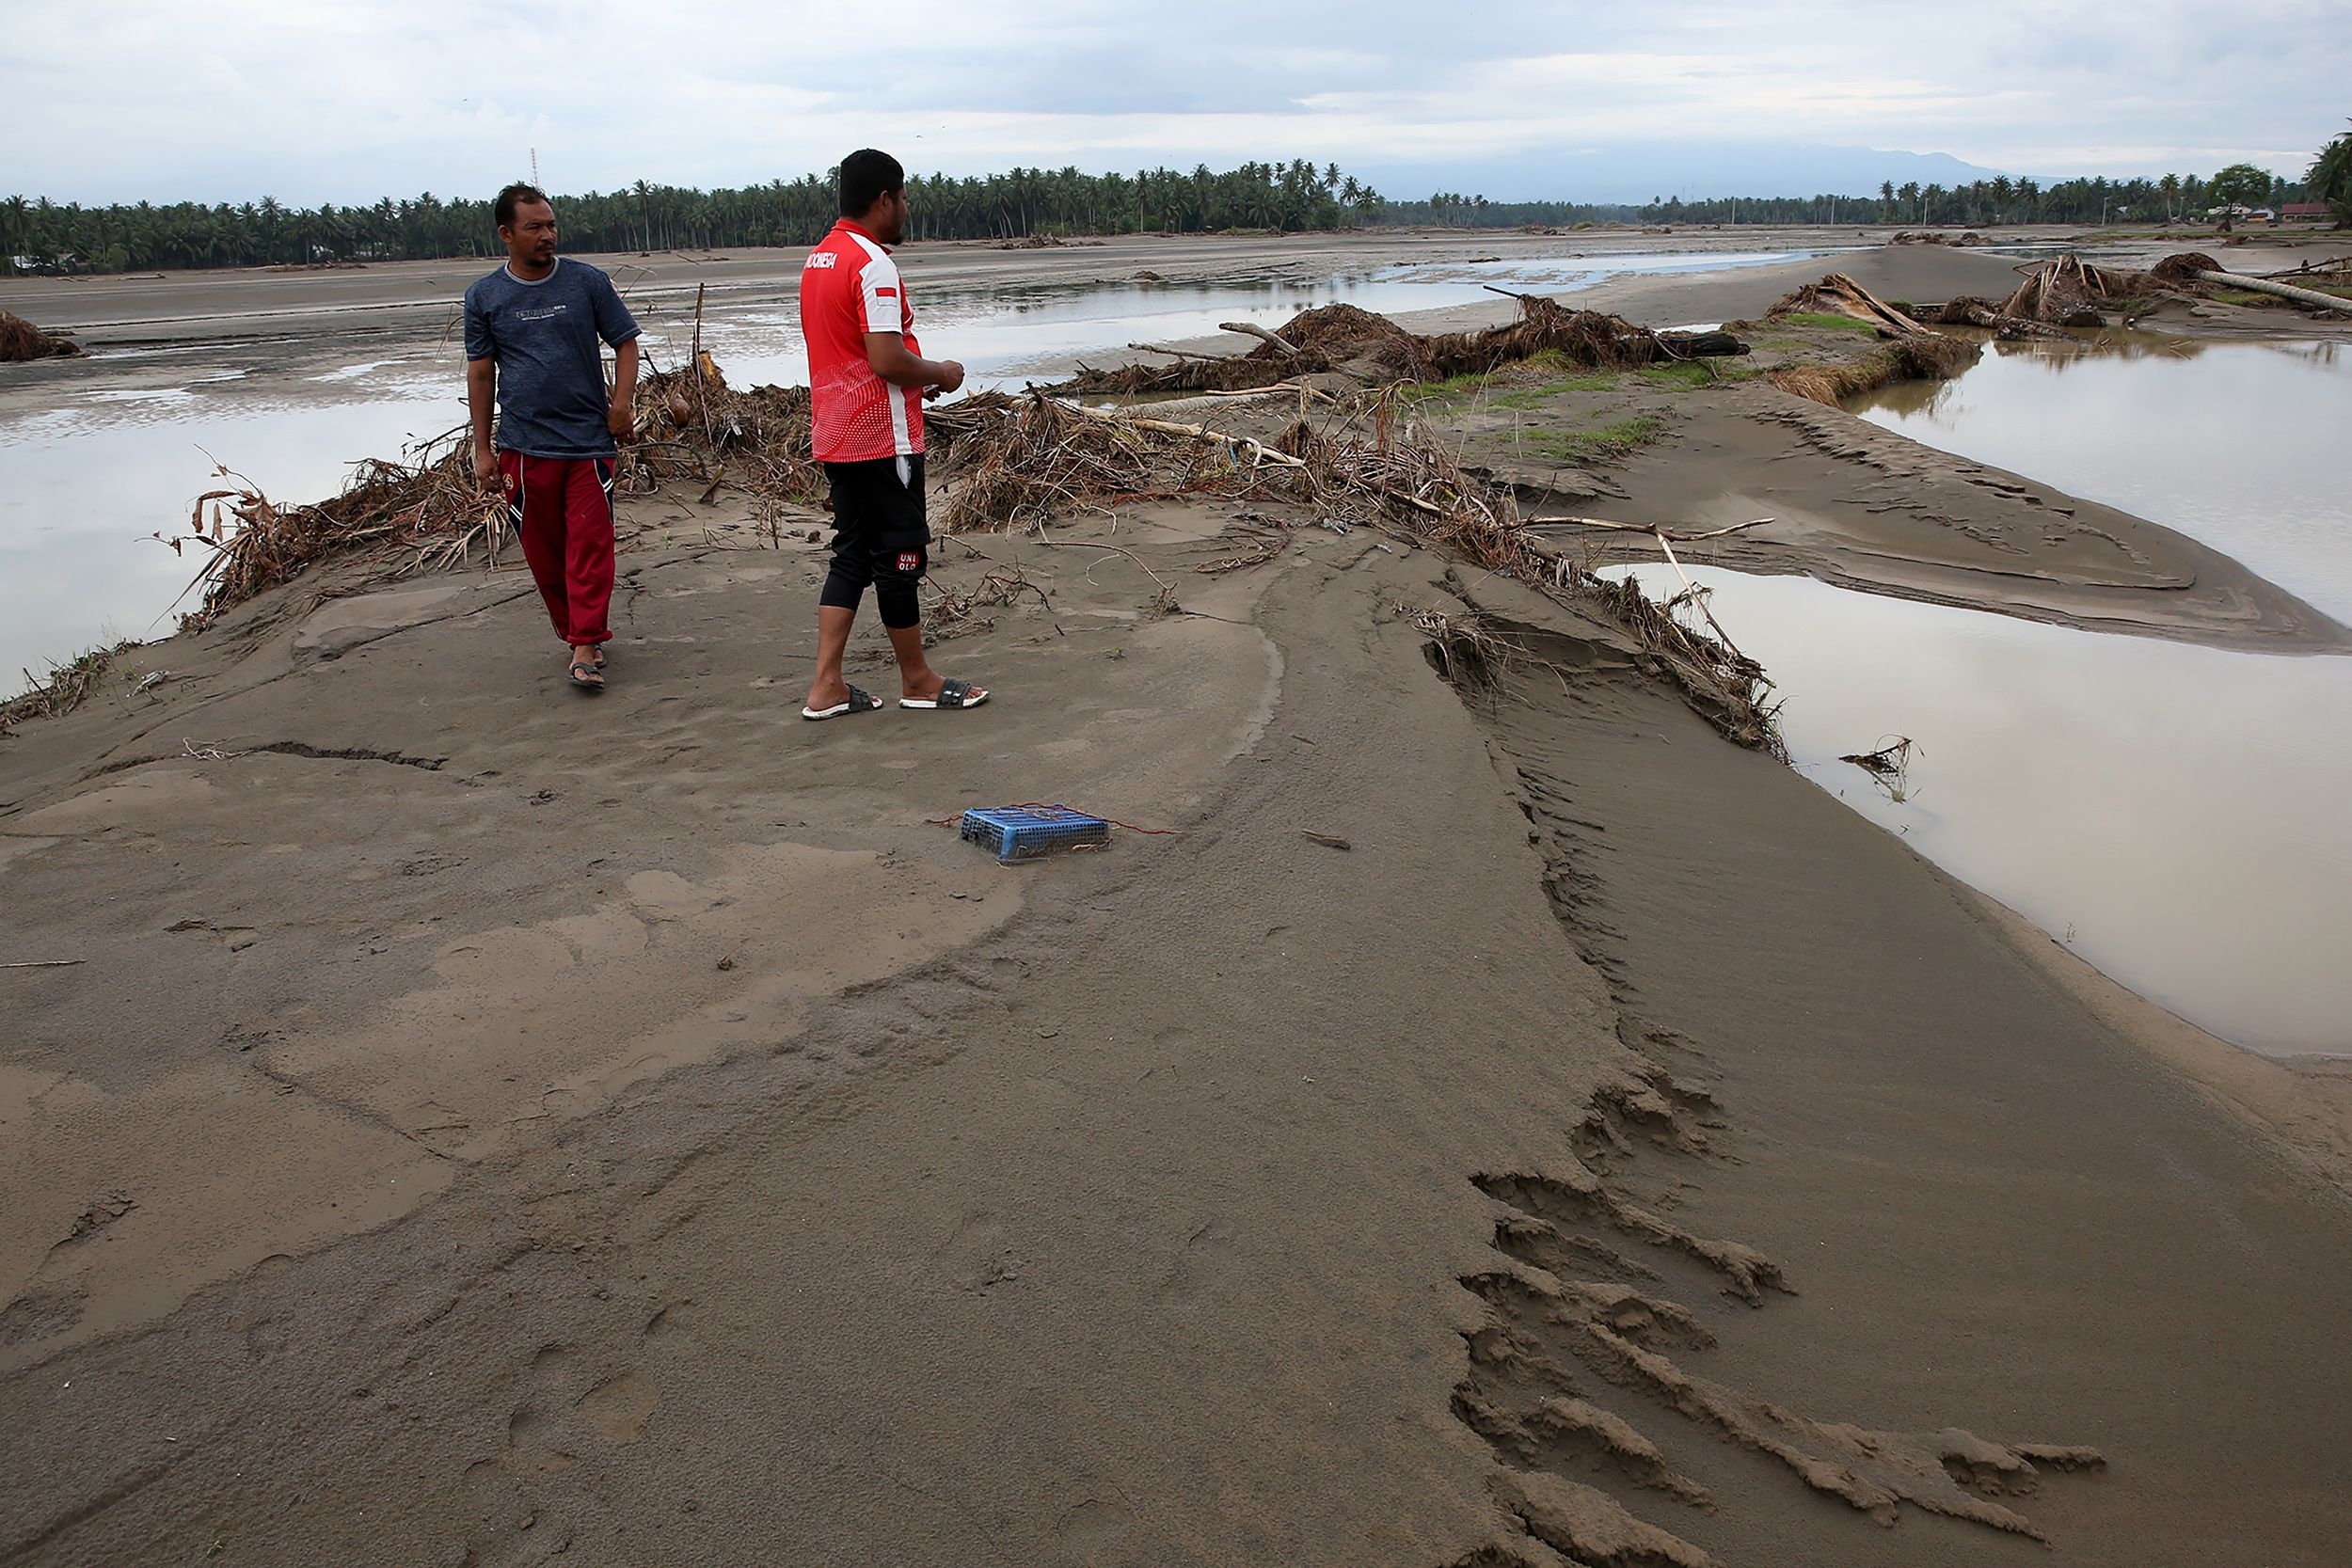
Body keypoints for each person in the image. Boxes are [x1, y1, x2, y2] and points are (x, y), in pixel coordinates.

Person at [797, 149, 989, 719]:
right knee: (900, 555)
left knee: (851, 554)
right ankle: (919, 680)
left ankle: (826, 686)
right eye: (903, 198)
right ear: (884, 199)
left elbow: (853, 356)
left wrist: (911, 381)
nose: (906, 208)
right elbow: (885, 359)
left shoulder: (819, 260)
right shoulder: (872, 264)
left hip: (836, 433)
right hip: (883, 440)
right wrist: (940, 373)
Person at [464, 182, 642, 692]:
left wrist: (621, 404)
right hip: (523, 447)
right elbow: (481, 373)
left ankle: (586, 643)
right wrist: (483, 449)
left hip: (588, 443)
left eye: (551, 225)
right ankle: (575, 634)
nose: (547, 235)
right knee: (544, 553)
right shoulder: (484, 296)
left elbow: (626, 343)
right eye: (534, 227)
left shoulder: (587, 282)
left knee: (590, 546)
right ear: (506, 234)